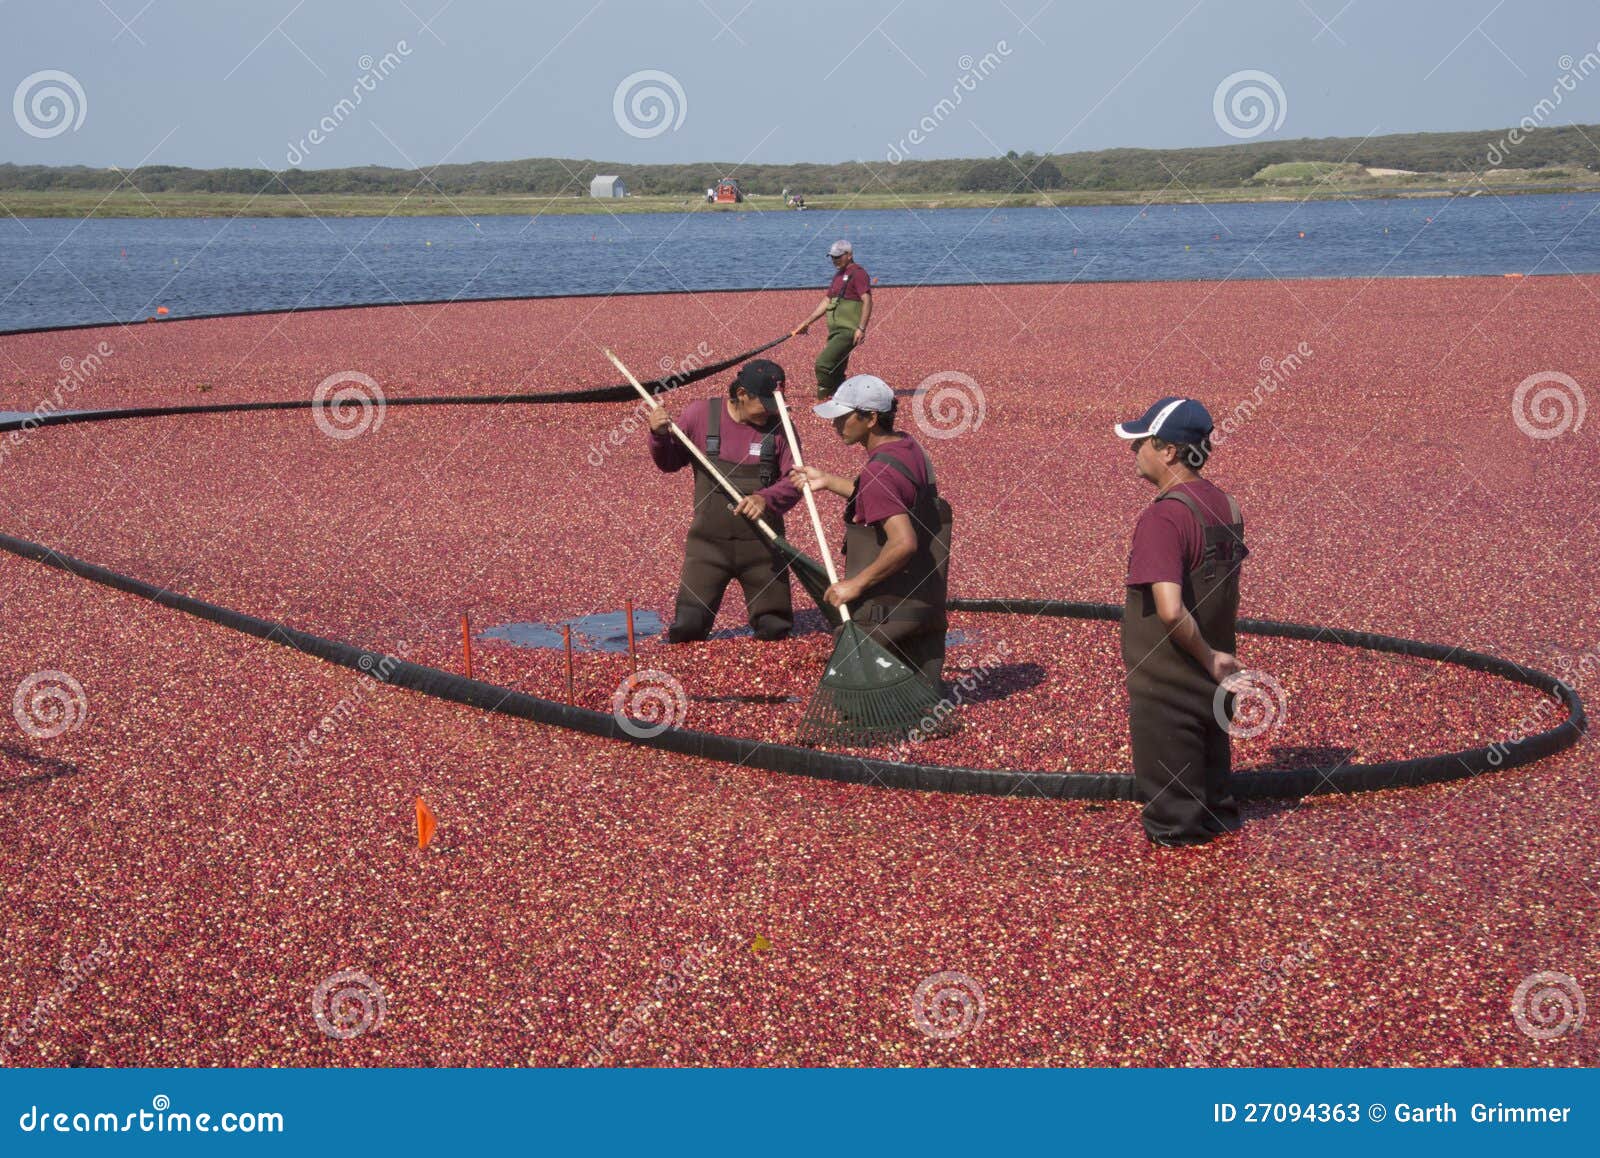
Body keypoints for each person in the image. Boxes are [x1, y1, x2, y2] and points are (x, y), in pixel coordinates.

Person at [1115, 397, 1248, 847]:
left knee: (1175, 828)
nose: (1134, 452)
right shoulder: (1228, 508)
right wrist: (1217, 659)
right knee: (1216, 811)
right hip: (1214, 689)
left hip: (1168, 691)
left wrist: (1207, 657)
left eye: (1141, 443)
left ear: (1168, 450)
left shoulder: (1163, 517)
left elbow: (1170, 609)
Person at [789, 374, 950, 690]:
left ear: (871, 418)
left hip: (888, 611)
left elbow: (903, 543)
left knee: (854, 705)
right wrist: (827, 480)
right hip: (926, 602)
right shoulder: (908, 447)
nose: (836, 425)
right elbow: (890, 500)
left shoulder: (879, 471)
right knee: (922, 702)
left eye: (844, 417)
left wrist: (855, 585)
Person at [646, 359, 802, 642]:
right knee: (687, 629)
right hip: (708, 548)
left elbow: (796, 481)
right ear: (742, 394)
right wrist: (658, 436)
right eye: (765, 404)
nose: (771, 411)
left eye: (776, 404)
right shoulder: (700, 415)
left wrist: (765, 498)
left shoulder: (782, 429)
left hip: (763, 550)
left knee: (774, 630)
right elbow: (669, 462)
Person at [793, 240, 872, 399]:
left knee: (823, 364)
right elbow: (827, 301)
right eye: (832, 257)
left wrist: (861, 328)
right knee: (836, 367)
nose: (834, 260)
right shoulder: (839, 275)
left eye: (838, 257)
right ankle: (842, 396)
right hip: (835, 331)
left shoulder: (858, 273)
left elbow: (868, 300)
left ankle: (823, 396)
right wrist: (806, 322)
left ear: (849, 255)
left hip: (848, 330)